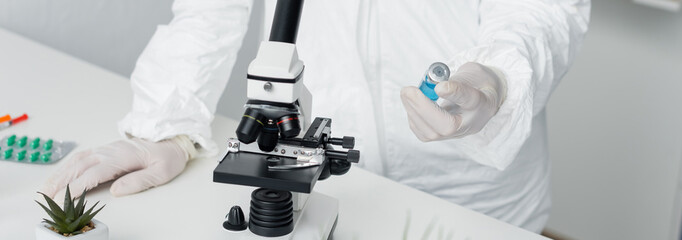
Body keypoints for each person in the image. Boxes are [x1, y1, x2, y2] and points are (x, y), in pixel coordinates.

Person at [41, 0, 590, 232]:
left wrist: (494, 78)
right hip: (330, 180)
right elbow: (211, 8)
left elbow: (540, 9)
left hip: (469, 188)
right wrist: (166, 124)